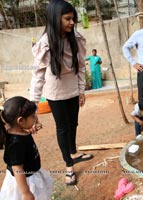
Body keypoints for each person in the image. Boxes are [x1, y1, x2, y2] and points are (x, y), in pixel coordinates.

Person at [30, 0, 93, 186]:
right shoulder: (45, 44)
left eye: (73, 18)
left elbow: (81, 67)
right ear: (54, 19)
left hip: (73, 89)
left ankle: (73, 151)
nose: (72, 22)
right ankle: (68, 165)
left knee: (73, 122)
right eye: (67, 19)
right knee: (62, 127)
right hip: (55, 92)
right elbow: (38, 74)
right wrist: (33, 102)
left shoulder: (75, 38)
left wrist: (81, 90)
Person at [0, 96, 54, 200]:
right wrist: (25, 192)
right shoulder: (16, 144)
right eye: (33, 116)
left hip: (31, 175)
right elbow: (17, 169)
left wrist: (28, 131)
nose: (35, 119)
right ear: (20, 120)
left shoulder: (18, 132)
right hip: (25, 182)